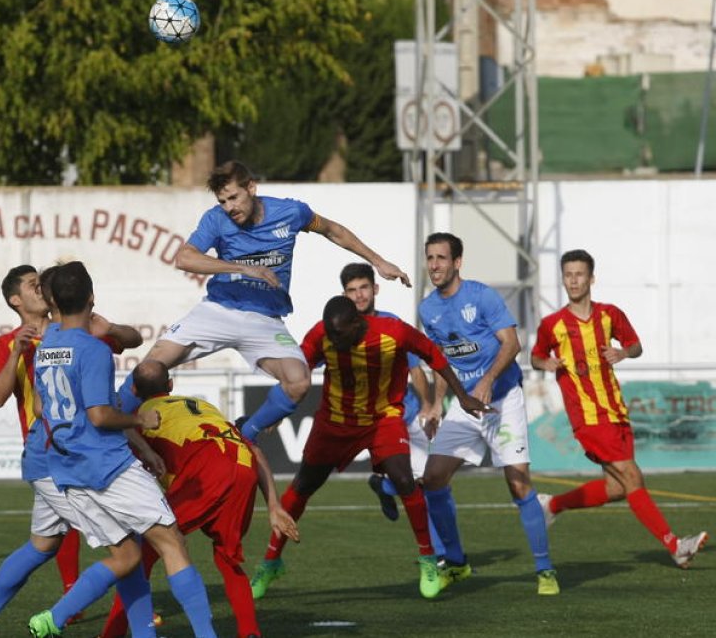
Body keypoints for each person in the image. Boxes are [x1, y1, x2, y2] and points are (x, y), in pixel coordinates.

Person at [114, 160, 411, 442]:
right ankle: (108, 427)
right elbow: (184, 257)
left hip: (264, 320)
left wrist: (379, 261)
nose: (229, 208)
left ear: (251, 188)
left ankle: (247, 435)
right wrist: (243, 268)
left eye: (233, 198)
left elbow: (333, 230)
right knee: (149, 368)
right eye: (223, 201)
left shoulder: (291, 213)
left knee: (298, 382)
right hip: (217, 311)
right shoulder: (216, 220)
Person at [249, 296, 489, 601]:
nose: (334, 341)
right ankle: (271, 562)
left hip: (382, 418)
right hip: (335, 421)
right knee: (302, 487)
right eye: (330, 335)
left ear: (356, 323)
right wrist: (276, 412)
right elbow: (295, 375)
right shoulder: (321, 335)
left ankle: (429, 560)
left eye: (339, 335)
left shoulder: (393, 332)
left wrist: (462, 397)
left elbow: (433, 355)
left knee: (405, 480)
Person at [27, 261, 216, 638]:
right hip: (107, 465)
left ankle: (56, 618)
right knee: (171, 542)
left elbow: (38, 409)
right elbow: (99, 415)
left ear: (54, 303)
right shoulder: (94, 350)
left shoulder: (44, 347)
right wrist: (138, 422)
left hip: (70, 470)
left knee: (127, 556)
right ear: (92, 297)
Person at [0, 264, 143, 638]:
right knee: (127, 546)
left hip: (70, 456)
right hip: (52, 456)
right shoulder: (9, 344)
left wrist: (112, 330)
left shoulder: (74, 329)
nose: (39, 287)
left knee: (43, 544)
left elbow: (133, 339)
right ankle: (115, 628)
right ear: (15, 300)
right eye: (30, 284)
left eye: (41, 283)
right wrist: (16, 354)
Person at [530, 249, 708, 567]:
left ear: (591, 278)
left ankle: (552, 505)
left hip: (616, 412)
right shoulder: (552, 324)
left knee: (616, 487)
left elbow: (636, 345)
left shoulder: (610, 314)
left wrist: (623, 353)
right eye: (568, 275)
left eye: (579, 274)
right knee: (631, 476)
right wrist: (547, 362)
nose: (573, 280)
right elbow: (535, 356)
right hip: (586, 416)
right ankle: (676, 545)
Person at [99, 359, 300, 638]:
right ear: (171, 385)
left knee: (141, 553)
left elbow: (124, 461)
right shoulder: (204, 406)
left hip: (206, 475)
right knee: (227, 557)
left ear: (133, 388)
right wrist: (274, 505)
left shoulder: (141, 415)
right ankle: (250, 633)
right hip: (243, 471)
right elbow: (252, 449)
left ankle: (111, 633)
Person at [417, 232, 558, 595]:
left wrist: (488, 381)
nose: (434, 265)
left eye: (441, 258)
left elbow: (513, 343)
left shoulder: (481, 296)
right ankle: (458, 563)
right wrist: (435, 404)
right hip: (464, 405)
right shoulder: (427, 309)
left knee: (518, 483)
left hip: (501, 400)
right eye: (430, 258)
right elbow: (442, 363)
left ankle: (545, 571)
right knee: (432, 478)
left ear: (457, 262)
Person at [339, 263, 443, 558]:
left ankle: (385, 488)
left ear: (375, 289)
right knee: (421, 484)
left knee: (427, 481)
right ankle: (440, 556)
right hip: (376, 423)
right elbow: (311, 364)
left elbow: (416, 368)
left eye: (363, 288)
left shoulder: (393, 323)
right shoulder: (340, 330)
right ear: (344, 295)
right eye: (352, 290)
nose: (359, 296)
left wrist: (426, 404)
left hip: (408, 413)